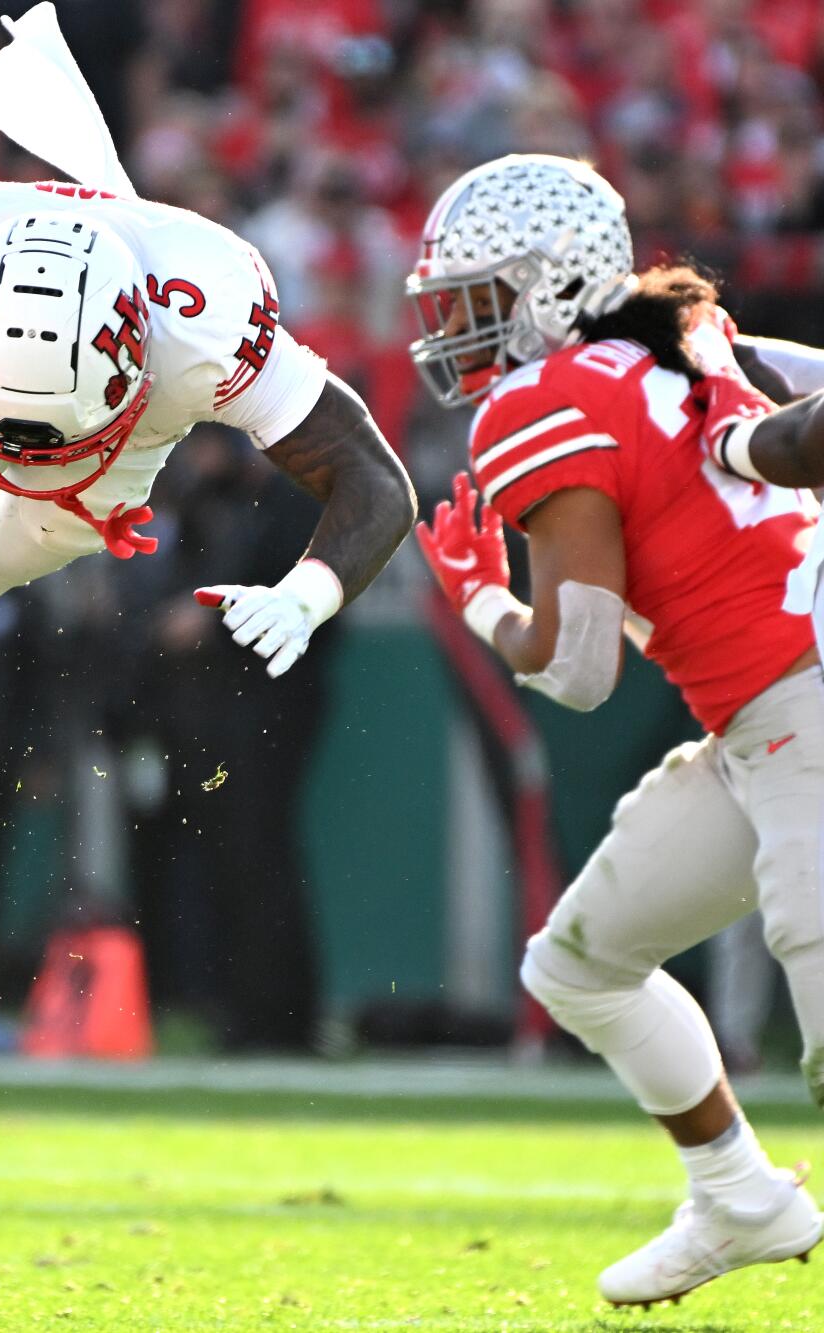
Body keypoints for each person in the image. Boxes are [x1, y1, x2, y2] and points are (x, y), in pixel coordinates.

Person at [407, 152, 824, 1306]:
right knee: (580, 963)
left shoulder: (543, 400)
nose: (457, 327)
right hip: (758, 723)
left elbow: (580, 669)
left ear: (549, 283)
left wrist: (479, 598)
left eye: (481, 297)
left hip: (801, 700)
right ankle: (738, 1196)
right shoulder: (682, 338)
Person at [0, 177, 413, 677]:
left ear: (138, 360)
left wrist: (307, 594)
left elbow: (377, 481)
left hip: (108, 467)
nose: (19, 467)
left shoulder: (206, 325)